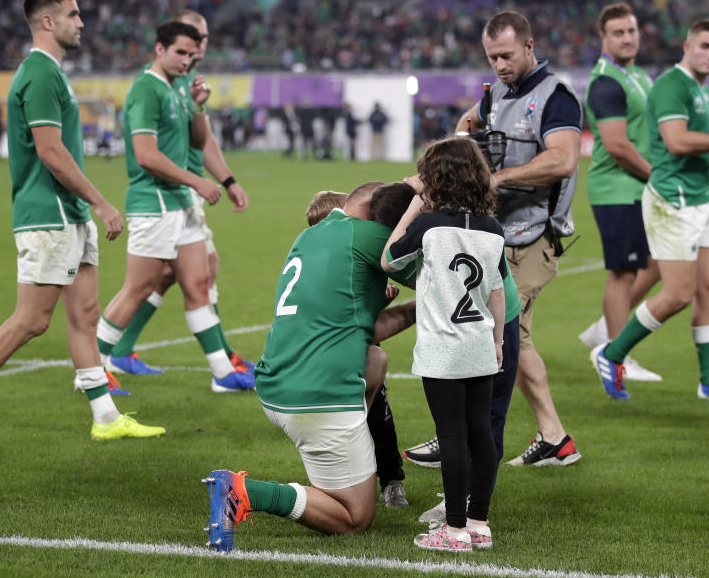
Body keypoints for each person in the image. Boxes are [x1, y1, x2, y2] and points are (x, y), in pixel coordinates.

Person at [0, 0, 163, 444]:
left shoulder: (52, 73)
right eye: (74, 14)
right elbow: (50, 152)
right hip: (48, 214)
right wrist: (100, 201)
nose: (82, 23)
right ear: (48, 21)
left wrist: (86, 206)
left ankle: (105, 417)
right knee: (32, 320)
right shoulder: (39, 74)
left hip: (68, 213)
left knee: (86, 316)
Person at [201, 182, 418, 550]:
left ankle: (340, 464)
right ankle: (243, 491)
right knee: (356, 518)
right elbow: (442, 272)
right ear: (370, 213)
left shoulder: (311, 237)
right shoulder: (367, 234)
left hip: (277, 381)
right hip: (317, 395)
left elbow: (369, 328)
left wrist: (416, 310)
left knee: (375, 360)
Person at [449, 10, 582, 466]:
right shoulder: (498, 93)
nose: (500, 65)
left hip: (535, 238)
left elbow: (563, 160)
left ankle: (466, 436)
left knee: (501, 333)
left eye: (506, 55)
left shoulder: (556, 97)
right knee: (510, 336)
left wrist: (499, 177)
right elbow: (469, 123)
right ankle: (554, 437)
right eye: (491, 58)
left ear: (529, 46)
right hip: (499, 238)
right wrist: (461, 145)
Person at [590, 19, 709, 401]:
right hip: (673, 200)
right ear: (687, 47)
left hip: (706, 198)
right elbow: (676, 143)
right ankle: (611, 353)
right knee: (677, 294)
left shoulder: (708, 95)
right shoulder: (672, 86)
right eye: (705, 46)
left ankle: (708, 380)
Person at [100, 9, 252, 391]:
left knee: (198, 283)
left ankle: (222, 373)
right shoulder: (145, 89)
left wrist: (199, 105)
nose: (188, 59)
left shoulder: (178, 87)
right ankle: (92, 368)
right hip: (154, 203)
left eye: (192, 53)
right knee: (139, 287)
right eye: (181, 52)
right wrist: (197, 181)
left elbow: (200, 141)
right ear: (160, 49)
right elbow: (146, 155)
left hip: (180, 204)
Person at [382, 137, 505, 552]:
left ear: (436, 178)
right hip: (480, 343)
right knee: (480, 435)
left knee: (451, 436)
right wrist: (499, 341)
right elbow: (498, 291)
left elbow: (390, 259)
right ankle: (479, 525)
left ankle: (452, 532)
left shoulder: (430, 224)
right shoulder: (493, 229)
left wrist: (416, 203)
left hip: (443, 348)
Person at [305, 186, 417, 509]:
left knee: (378, 416)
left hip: (361, 343)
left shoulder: (357, 247)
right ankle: (337, 481)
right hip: (340, 345)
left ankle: (392, 479)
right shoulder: (328, 258)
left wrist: (380, 301)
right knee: (340, 419)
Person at [579, 3, 662, 383]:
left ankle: (605, 329)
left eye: (631, 31)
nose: (627, 38)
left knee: (659, 263)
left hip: (638, 187)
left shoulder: (638, 76)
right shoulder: (606, 82)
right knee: (623, 273)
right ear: (604, 38)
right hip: (619, 188)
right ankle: (617, 356)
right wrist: (657, 176)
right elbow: (616, 145)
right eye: (618, 33)